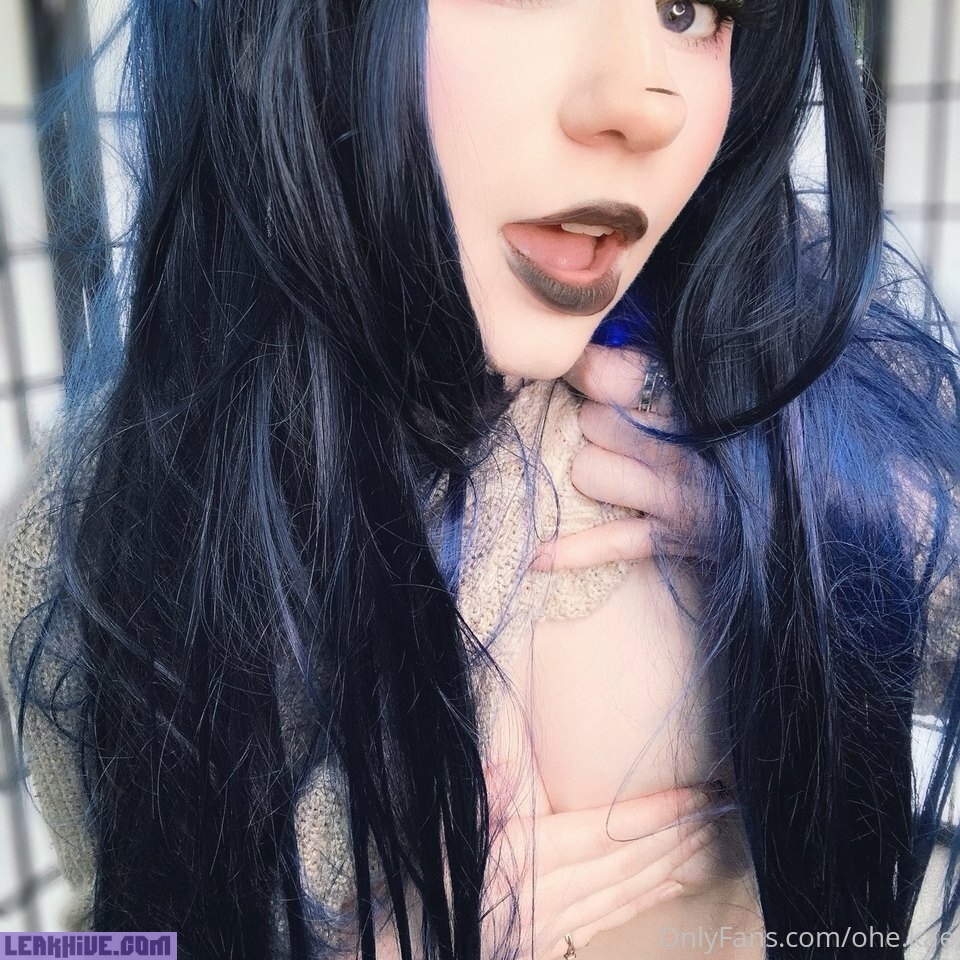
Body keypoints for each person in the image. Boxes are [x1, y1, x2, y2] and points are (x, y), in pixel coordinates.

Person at [1, 1, 959, 959]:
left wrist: (824, 526)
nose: (645, 103)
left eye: (688, 9)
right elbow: (111, 937)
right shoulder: (100, 511)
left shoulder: (798, 367)